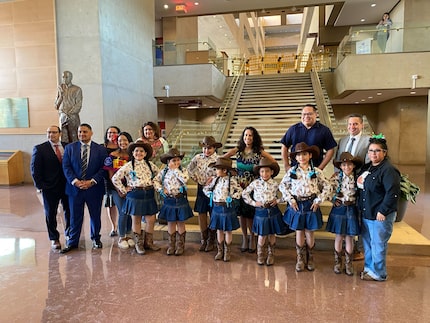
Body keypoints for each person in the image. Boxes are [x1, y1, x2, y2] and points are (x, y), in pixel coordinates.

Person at [223, 126, 276, 253]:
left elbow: (273, 162)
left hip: (254, 188)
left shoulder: (259, 151)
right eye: (245, 135)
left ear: (254, 137)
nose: (248, 138)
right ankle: (244, 238)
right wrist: (231, 171)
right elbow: (223, 159)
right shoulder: (238, 150)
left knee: (251, 215)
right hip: (240, 186)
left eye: (250, 135)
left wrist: (265, 178)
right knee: (242, 214)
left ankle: (253, 238)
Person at [279, 142, 331, 272]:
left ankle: (310, 257)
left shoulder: (317, 171)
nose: (302, 157)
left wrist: (319, 200)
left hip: (311, 204)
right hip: (297, 204)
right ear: (295, 158)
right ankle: (300, 258)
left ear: (310, 155)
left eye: (304, 154)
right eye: (299, 155)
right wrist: (290, 200)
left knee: (309, 232)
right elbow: (282, 186)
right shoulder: (292, 171)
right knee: (299, 231)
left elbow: (327, 186)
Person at [357, 135, 400, 281]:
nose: (373, 154)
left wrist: (383, 210)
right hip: (367, 212)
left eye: (377, 151)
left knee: (378, 245)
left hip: (380, 215)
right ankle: (369, 269)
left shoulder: (388, 170)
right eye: (371, 151)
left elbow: (393, 193)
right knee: (368, 244)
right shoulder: (369, 167)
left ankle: (379, 273)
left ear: (384, 152)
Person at [60, 123, 108, 253]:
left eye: (85, 132)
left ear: (91, 133)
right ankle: (72, 242)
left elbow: (103, 168)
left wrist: (91, 181)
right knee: (75, 216)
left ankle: (96, 239)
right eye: (80, 132)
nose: (82, 134)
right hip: (75, 189)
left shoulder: (101, 149)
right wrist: (75, 181)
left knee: (95, 215)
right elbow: (66, 167)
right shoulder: (70, 148)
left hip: (94, 189)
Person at [111, 142, 160, 255]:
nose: (139, 153)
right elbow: (115, 178)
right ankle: (139, 244)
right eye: (136, 151)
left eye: (141, 151)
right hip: (134, 194)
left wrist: (155, 182)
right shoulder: (128, 166)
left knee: (150, 219)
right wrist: (124, 189)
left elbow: (160, 174)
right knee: (136, 220)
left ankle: (148, 242)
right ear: (132, 153)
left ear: (146, 153)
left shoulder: (150, 165)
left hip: (148, 193)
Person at [335, 113, 371, 260]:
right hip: (344, 185)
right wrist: (339, 176)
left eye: (355, 124)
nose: (352, 127)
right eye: (350, 124)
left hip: (360, 184)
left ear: (362, 125)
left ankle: (358, 248)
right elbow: (338, 160)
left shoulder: (368, 141)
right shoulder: (342, 140)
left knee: (358, 216)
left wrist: (361, 179)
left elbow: (369, 163)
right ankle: (345, 249)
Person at [30, 125, 70, 250]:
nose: (51, 135)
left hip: (67, 185)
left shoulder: (68, 146)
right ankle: (54, 238)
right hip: (49, 187)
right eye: (49, 132)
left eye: (54, 132)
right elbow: (34, 169)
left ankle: (69, 234)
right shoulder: (40, 149)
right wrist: (40, 186)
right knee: (50, 213)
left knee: (68, 211)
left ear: (60, 133)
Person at [242, 158, 285, 266]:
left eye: (267, 171)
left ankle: (271, 254)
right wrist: (253, 203)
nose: (264, 173)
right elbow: (244, 194)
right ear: (259, 172)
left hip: (273, 211)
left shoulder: (275, 184)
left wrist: (278, 200)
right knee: (262, 235)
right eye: (262, 171)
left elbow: (286, 194)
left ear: (272, 172)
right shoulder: (255, 183)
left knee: (272, 234)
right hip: (261, 212)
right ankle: (260, 254)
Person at [326, 152, 362, 276]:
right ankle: (338, 262)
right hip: (339, 209)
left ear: (353, 166)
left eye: (349, 165)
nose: (347, 167)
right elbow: (327, 189)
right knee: (339, 236)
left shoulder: (357, 178)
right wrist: (332, 198)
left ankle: (348, 263)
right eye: (344, 165)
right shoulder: (336, 177)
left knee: (349, 237)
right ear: (341, 166)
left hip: (351, 208)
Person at [154, 148, 194, 256]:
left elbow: (184, 179)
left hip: (180, 199)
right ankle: (171, 245)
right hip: (169, 199)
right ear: (168, 162)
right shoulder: (164, 172)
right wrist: (162, 190)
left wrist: (176, 170)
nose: (176, 163)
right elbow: (155, 181)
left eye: (178, 160)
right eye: (173, 161)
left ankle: (180, 245)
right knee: (171, 222)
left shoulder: (183, 170)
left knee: (180, 222)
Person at [203, 157, 242, 262]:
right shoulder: (215, 180)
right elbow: (206, 188)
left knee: (228, 230)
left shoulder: (231, 180)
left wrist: (233, 197)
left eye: (217, 169)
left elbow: (240, 191)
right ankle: (220, 251)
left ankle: (227, 251)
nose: (216, 171)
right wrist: (210, 194)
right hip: (217, 207)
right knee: (219, 230)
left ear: (224, 170)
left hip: (227, 208)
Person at [187, 136, 221, 252]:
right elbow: (189, 169)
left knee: (213, 214)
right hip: (201, 188)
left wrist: (213, 179)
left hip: (213, 190)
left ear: (214, 148)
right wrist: (195, 178)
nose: (207, 151)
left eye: (209, 148)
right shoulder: (198, 157)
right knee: (201, 213)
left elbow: (222, 174)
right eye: (205, 148)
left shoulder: (218, 159)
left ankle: (212, 239)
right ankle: (204, 238)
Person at [280, 104, 337, 171]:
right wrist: (286, 165)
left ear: (316, 114)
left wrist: (320, 168)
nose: (306, 116)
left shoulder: (324, 130)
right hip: (295, 170)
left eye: (309, 114)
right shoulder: (293, 129)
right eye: (304, 114)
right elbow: (284, 146)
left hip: (315, 170)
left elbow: (330, 149)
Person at [103, 131, 135, 250]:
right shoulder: (112, 156)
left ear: (130, 141)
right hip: (116, 189)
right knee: (123, 210)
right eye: (120, 140)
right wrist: (120, 189)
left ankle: (128, 234)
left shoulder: (133, 156)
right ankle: (122, 237)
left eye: (125, 140)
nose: (123, 142)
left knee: (129, 211)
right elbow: (111, 175)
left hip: (131, 188)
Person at [54, 71, 83, 143]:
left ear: (71, 78)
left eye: (66, 77)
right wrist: (61, 96)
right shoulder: (60, 88)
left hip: (72, 116)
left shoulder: (77, 89)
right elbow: (56, 106)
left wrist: (69, 114)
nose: (64, 79)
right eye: (63, 77)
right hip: (62, 116)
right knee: (63, 138)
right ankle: (65, 153)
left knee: (74, 137)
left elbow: (78, 105)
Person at [102, 126, 121, 237]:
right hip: (107, 179)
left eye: (114, 132)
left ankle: (122, 225)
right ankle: (114, 227)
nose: (111, 134)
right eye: (109, 132)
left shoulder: (122, 146)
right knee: (110, 204)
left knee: (121, 203)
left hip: (122, 179)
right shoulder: (102, 147)